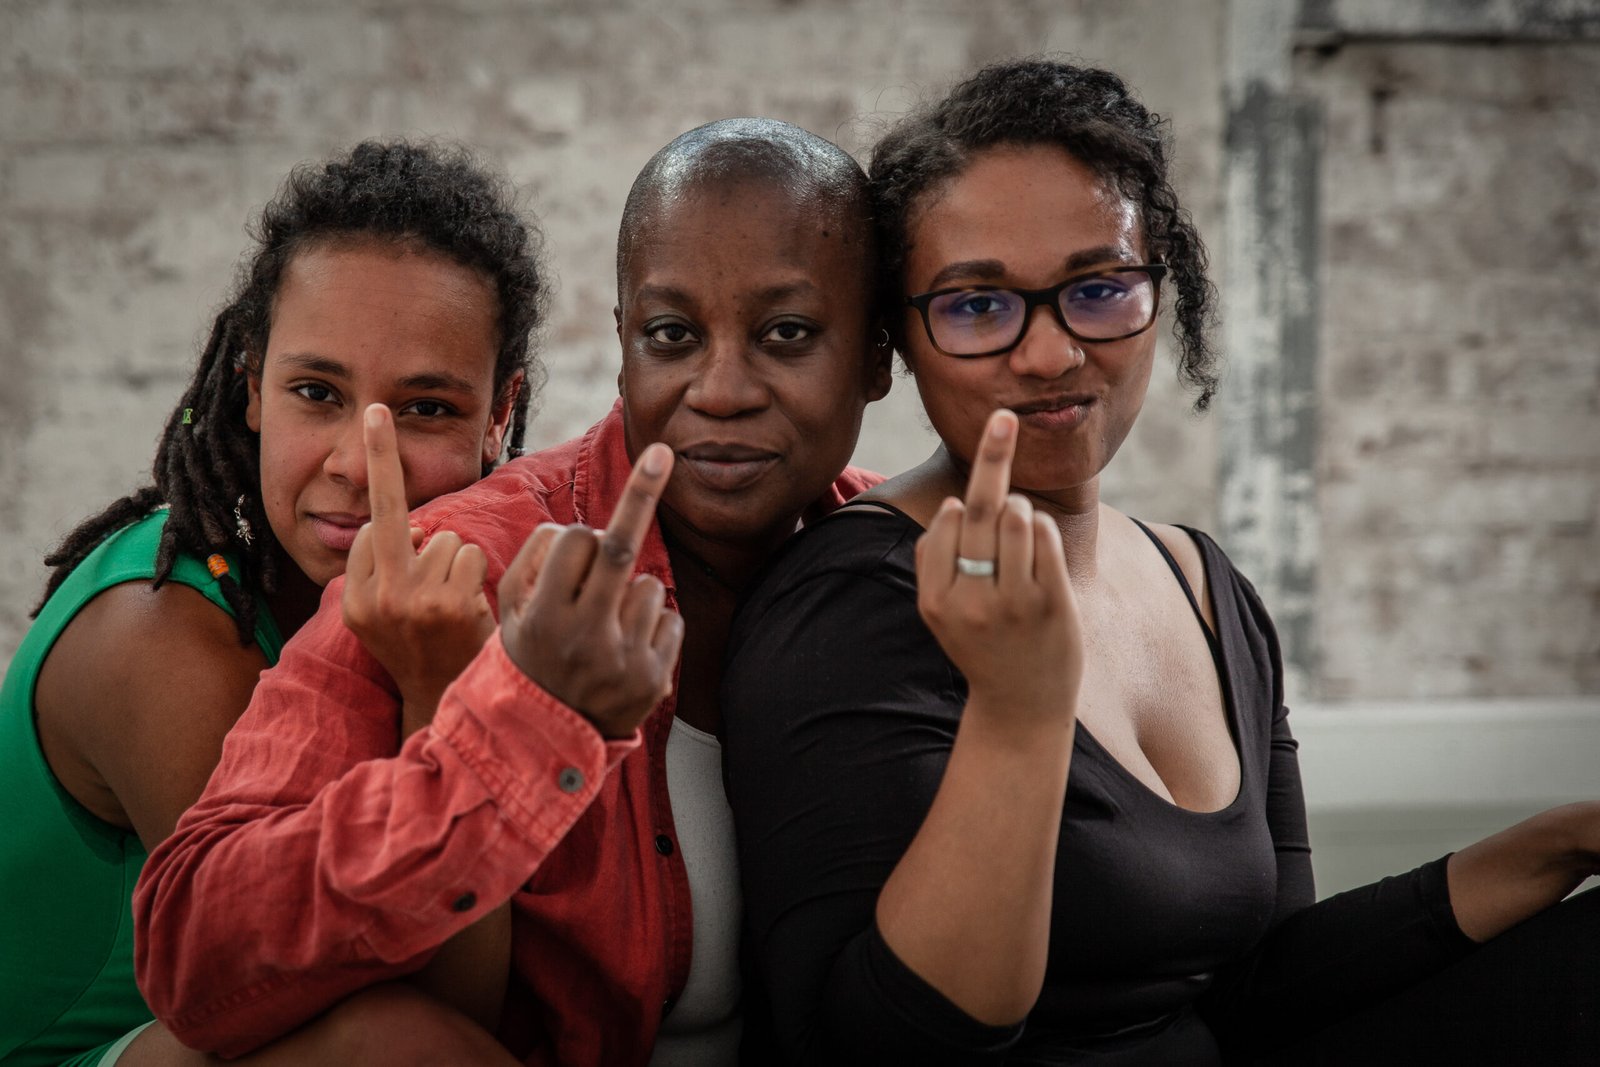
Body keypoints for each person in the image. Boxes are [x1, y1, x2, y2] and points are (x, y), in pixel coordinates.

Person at [722, 58, 1600, 1065]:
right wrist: (1017, 712)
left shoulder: (1202, 584)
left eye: (1097, 289)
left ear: (1158, 294)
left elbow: (1261, 989)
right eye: (977, 306)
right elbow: (863, 1043)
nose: (1050, 354)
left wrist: (1555, 843)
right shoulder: (851, 602)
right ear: (902, 341)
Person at [132, 117, 893, 1067]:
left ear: (877, 356)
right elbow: (192, 949)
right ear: (624, 347)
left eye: (787, 333)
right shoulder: (460, 561)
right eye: (671, 334)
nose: (723, 388)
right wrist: (518, 721)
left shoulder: (892, 567)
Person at [0, 139, 549, 1067]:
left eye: (425, 409)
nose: (354, 463)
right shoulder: (167, 637)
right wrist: (449, 702)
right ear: (252, 387)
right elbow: (432, 1018)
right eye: (316, 392)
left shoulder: (451, 580)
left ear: (502, 415)